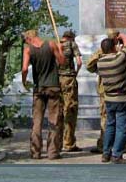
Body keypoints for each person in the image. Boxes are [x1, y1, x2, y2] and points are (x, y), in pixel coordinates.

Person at [21, 28, 66, 159]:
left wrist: (24, 81)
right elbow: (62, 62)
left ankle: (35, 152)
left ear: (28, 38)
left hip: (39, 88)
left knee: (37, 121)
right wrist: (60, 51)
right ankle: (53, 152)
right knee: (54, 120)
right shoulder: (51, 44)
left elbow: (24, 69)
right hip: (53, 86)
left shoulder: (28, 50)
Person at [87, 28, 126, 153]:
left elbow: (89, 66)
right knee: (115, 119)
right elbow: (89, 65)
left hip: (108, 89)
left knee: (108, 119)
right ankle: (110, 145)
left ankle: (106, 146)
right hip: (115, 89)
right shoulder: (116, 52)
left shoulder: (110, 51)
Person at [96, 31, 126, 164]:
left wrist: (116, 45)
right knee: (122, 127)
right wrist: (120, 36)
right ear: (113, 47)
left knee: (110, 126)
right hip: (122, 98)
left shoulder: (100, 62)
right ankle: (116, 155)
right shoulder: (118, 59)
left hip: (109, 98)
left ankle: (106, 153)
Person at [58, 29, 83, 152]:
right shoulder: (72, 44)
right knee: (70, 109)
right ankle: (69, 142)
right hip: (69, 79)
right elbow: (79, 62)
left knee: (59, 110)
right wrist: (76, 73)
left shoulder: (56, 44)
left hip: (57, 80)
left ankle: (57, 142)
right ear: (72, 38)